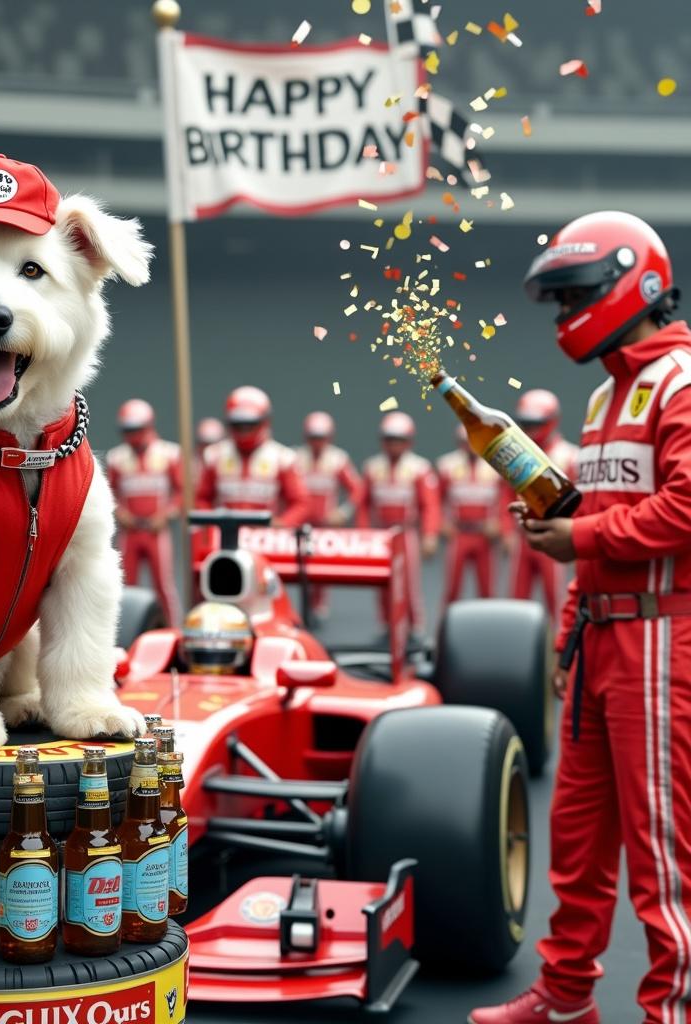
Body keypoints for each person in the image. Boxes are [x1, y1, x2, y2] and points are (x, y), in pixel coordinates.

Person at [470, 212, 691, 1024]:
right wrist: (570, 626)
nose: (565, 316)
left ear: (638, 285)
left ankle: (674, 1009)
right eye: (559, 301)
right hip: (601, 637)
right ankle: (565, 997)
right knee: (577, 838)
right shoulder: (604, 394)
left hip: (667, 639)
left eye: (574, 296)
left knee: (664, 848)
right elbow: (592, 519)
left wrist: (583, 536)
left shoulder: (682, 382)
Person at [358, 411, 441, 633]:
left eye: (399, 440)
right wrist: (364, 532)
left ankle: (415, 628)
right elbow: (363, 503)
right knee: (382, 581)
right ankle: (386, 625)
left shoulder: (419, 468)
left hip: (407, 533)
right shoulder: (372, 467)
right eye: (389, 439)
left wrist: (430, 534)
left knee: (410, 583)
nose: (393, 445)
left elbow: (430, 505)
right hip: (381, 534)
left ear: (408, 442)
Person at [503, 389, 579, 623]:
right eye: (526, 423)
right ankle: (516, 651)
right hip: (523, 536)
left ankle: (559, 651)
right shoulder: (514, 452)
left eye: (536, 423)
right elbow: (505, 494)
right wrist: (506, 529)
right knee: (516, 597)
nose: (531, 429)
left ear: (552, 421)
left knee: (556, 597)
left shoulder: (569, 457)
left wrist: (574, 533)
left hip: (555, 533)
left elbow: (579, 501)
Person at [106, 398, 183, 627]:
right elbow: (109, 492)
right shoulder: (117, 457)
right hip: (130, 531)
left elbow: (181, 492)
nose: (133, 435)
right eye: (128, 430)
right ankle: (128, 630)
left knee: (164, 585)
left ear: (149, 426)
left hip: (156, 531)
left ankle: (172, 630)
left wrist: (167, 514)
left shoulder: (169, 453)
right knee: (127, 584)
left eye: (137, 430)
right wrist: (120, 513)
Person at [196, 386, 309, 527]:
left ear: (265, 421)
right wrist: (213, 522)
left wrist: (281, 524)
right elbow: (202, 498)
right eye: (238, 425)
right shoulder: (214, 456)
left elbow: (300, 503)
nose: (244, 431)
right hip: (226, 539)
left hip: (265, 540)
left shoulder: (283, 459)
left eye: (249, 425)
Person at [295, 411, 363, 614]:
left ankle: (319, 606)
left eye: (321, 437)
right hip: (300, 525)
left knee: (320, 566)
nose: (317, 442)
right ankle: (303, 606)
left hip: (325, 524)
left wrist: (343, 512)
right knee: (298, 566)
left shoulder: (338, 459)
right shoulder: (295, 458)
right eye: (313, 437)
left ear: (329, 437)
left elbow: (358, 490)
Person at [437, 424, 501, 603]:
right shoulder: (447, 466)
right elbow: (436, 499)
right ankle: (447, 629)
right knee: (452, 588)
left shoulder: (495, 466)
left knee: (487, 589)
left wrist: (500, 524)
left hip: (485, 536)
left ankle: (488, 629)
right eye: (465, 442)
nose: (470, 447)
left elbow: (504, 499)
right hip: (459, 533)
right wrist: (442, 522)